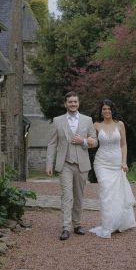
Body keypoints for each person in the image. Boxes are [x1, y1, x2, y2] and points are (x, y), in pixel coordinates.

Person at [46, 91, 98, 240]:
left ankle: (77, 224)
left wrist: (83, 141)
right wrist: (49, 164)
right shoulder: (57, 121)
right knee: (67, 195)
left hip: (82, 164)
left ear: (78, 103)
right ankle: (66, 227)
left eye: (75, 102)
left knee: (79, 196)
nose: (73, 104)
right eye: (70, 102)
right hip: (65, 164)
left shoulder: (87, 120)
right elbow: (52, 144)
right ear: (65, 104)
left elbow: (95, 141)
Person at [89, 99, 136, 238]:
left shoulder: (119, 124)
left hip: (117, 163)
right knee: (105, 191)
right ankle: (107, 226)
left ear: (112, 110)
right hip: (101, 163)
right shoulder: (96, 125)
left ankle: (119, 222)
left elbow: (123, 145)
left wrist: (124, 162)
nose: (107, 111)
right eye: (104, 109)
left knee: (117, 193)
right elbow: (92, 142)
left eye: (109, 109)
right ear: (101, 111)